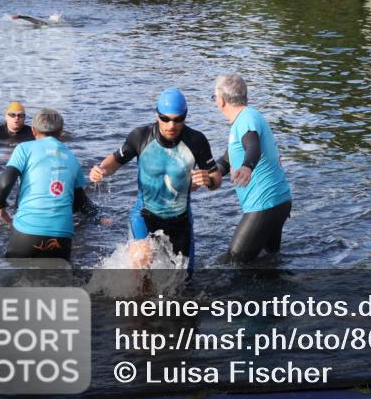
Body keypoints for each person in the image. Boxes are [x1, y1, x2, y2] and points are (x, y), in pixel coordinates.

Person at [89, 88, 220, 268]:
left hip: (180, 219)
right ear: (157, 115)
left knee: (184, 279)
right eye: (165, 119)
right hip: (145, 214)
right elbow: (115, 160)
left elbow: (216, 177)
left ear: (185, 116)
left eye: (178, 119)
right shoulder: (140, 137)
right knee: (142, 261)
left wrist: (209, 180)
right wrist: (101, 170)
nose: (171, 125)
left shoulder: (196, 140)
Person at [212, 74, 292, 263]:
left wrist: (247, 167)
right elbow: (226, 161)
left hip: (264, 205)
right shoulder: (247, 118)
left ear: (221, 100)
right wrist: (208, 175)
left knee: (233, 263)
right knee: (268, 263)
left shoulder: (246, 120)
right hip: (277, 202)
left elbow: (253, 146)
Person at [0, 109, 88, 261]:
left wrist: (0, 207)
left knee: (14, 274)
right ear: (61, 132)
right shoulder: (71, 156)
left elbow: (5, 183)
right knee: (57, 275)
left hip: (26, 233)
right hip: (62, 236)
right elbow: (79, 203)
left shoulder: (24, 148)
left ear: (33, 130)